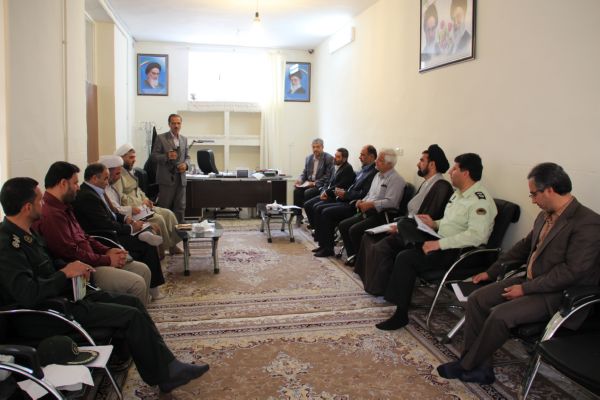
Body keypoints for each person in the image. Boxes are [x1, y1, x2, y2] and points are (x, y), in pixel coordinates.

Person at [0, 177, 209, 393]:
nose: (43, 204)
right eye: (40, 200)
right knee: (131, 316)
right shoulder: (8, 245)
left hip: (64, 297)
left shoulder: (27, 234)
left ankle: (167, 368)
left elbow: (50, 264)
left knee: (132, 303)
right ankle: (165, 373)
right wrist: (64, 274)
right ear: (27, 207)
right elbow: (28, 293)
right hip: (46, 314)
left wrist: (74, 267)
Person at [437, 162, 600, 385]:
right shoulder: (545, 215)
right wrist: (491, 272)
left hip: (559, 294)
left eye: (534, 194)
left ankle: (466, 365)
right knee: (477, 299)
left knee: (500, 315)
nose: (532, 200)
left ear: (549, 190)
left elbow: (572, 272)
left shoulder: (588, 223)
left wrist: (524, 289)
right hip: (532, 281)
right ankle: (480, 368)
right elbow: (523, 247)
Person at [376, 153, 497, 331]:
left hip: (458, 253)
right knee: (405, 222)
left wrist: (438, 244)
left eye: (454, 168)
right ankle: (416, 244)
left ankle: (401, 315)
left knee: (405, 257)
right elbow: (450, 223)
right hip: (441, 242)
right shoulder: (459, 194)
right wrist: (433, 223)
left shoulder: (480, 201)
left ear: (465, 173)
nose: (450, 171)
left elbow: (476, 236)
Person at [36, 161, 152, 305]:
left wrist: (107, 250)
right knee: (137, 283)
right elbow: (70, 253)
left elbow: (85, 236)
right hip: (84, 270)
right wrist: (107, 259)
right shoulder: (51, 214)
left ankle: (140, 314)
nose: (78, 187)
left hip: (94, 259)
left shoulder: (64, 206)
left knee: (143, 269)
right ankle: (135, 316)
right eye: (75, 183)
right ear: (63, 184)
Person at [354, 144, 453, 294]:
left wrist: (401, 227)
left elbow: (428, 219)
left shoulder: (441, 186)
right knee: (368, 236)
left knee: (380, 246)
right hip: (407, 225)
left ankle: (379, 288)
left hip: (418, 235)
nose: (418, 164)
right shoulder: (428, 183)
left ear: (432, 164)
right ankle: (369, 280)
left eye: (422, 160)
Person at [72, 163, 166, 300]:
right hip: (105, 237)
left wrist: (126, 219)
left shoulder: (95, 191)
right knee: (147, 246)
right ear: (94, 178)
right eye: (105, 178)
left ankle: (142, 234)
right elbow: (105, 224)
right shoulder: (87, 196)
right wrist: (130, 228)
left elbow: (112, 213)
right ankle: (153, 289)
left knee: (145, 235)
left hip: (111, 231)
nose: (107, 182)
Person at [332, 149, 406, 260]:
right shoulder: (377, 175)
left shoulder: (396, 180)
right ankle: (353, 255)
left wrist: (371, 204)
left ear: (389, 164)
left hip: (382, 215)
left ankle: (361, 259)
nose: (376, 161)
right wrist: (362, 201)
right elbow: (369, 194)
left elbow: (392, 202)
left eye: (380, 160)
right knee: (343, 225)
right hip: (368, 211)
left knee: (354, 230)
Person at [112, 144, 183, 256]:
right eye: (131, 158)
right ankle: (163, 248)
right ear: (122, 158)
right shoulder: (118, 175)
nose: (134, 160)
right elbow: (121, 197)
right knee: (159, 219)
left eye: (134, 157)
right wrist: (141, 203)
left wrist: (146, 200)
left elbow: (138, 190)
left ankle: (173, 245)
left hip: (143, 205)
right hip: (135, 209)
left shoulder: (130, 171)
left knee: (169, 213)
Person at [311, 145, 378, 257]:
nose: (359, 157)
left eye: (362, 155)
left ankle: (328, 248)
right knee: (319, 207)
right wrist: (343, 192)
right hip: (346, 199)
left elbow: (363, 194)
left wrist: (345, 194)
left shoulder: (373, 173)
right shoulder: (364, 170)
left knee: (325, 212)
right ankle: (323, 245)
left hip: (354, 205)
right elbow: (353, 187)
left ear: (371, 157)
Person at [152, 114, 191, 223]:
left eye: (178, 123)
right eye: (173, 123)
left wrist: (186, 165)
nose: (176, 126)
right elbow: (153, 157)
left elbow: (187, 157)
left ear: (181, 124)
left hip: (181, 179)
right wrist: (167, 156)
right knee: (165, 207)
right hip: (166, 179)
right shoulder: (161, 138)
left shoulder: (184, 139)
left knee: (181, 206)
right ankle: (165, 229)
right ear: (169, 124)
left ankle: (180, 229)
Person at [303, 147, 356, 228]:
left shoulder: (347, 168)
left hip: (334, 197)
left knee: (315, 206)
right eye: (335, 156)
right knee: (307, 205)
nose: (335, 158)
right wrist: (323, 191)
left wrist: (326, 192)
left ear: (344, 159)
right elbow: (328, 182)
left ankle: (317, 228)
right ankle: (315, 226)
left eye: (338, 157)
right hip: (327, 193)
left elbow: (340, 185)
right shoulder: (335, 166)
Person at [293, 138, 334, 222]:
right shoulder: (309, 158)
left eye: (318, 147)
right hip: (308, 183)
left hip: (320, 185)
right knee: (296, 191)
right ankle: (298, 215)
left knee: (308, 192)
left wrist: (315, 183)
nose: (315, 149)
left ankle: (310, 217)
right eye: (313, 147)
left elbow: (328, 176)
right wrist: (300, 180)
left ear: (322, 147)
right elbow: (304, 172)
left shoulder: (328, 158)